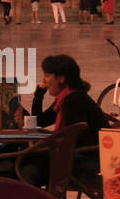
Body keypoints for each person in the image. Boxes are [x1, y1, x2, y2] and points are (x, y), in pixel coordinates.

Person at [27, 54, 113, 187]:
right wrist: (39, 93)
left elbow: (73, 140)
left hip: (90, 163)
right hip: (83, 157)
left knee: (28, 164)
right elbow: (39, 121)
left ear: (61, 78)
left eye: (47, 75)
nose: (44, 80)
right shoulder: (67, 98)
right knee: (31, 162)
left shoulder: (73, 100)